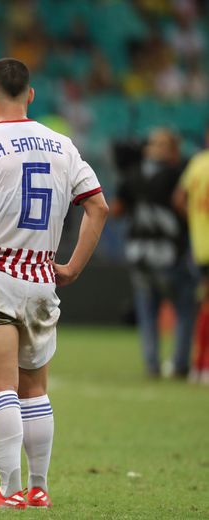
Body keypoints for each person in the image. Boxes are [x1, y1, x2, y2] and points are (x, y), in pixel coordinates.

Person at [0, 58, 108, 509]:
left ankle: (10, 491)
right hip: (41, 279)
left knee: (1, 388)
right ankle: (38, 489)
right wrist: (73, 265)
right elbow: (98, 207)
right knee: (34, 390)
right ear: (31, 95)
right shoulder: (62, 145)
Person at [111, 128, 197, 379]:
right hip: (171, 254)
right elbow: (183, 204)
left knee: (148, 312)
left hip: (139, 254)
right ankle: (180, 364)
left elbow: (116, 209)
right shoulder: (178, 172)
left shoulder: (132, 174)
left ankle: (152, 364)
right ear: (172, 151)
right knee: (184, 309)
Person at [173, 128, 209, 383]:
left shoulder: (197, 163)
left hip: (200, 245)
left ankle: (199, 365)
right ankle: (202, 365)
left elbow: (178, 199)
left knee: (204, 303)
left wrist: (196, 221)